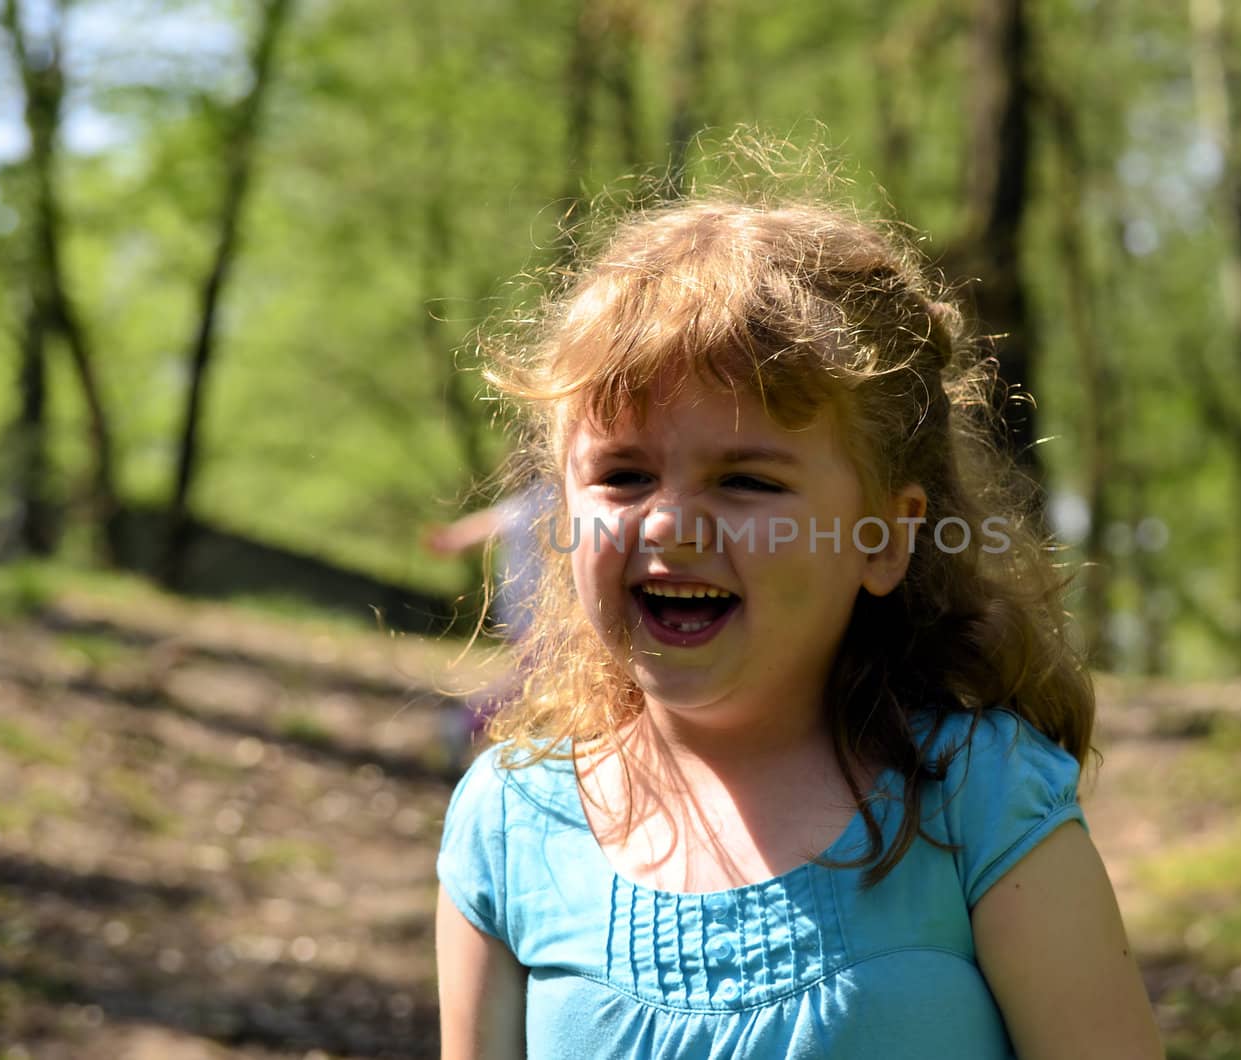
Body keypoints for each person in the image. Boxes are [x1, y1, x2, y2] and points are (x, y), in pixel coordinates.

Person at [435, 191, 1165, 1058]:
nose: (669, 523)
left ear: (884, 539)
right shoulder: (511, 825)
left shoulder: (977, 802)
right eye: (624, 476)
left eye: (746, 481)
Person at [425, 480, 558, 767]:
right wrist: (453, 539)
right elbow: (487, 525)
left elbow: (485, 525)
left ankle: (469, 725)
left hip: (534, 612)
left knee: (537, 679)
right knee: (534, 679)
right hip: (534, 612)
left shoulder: (530, 502)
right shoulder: (538, 502)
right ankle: (466, 724)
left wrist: (452, 539)